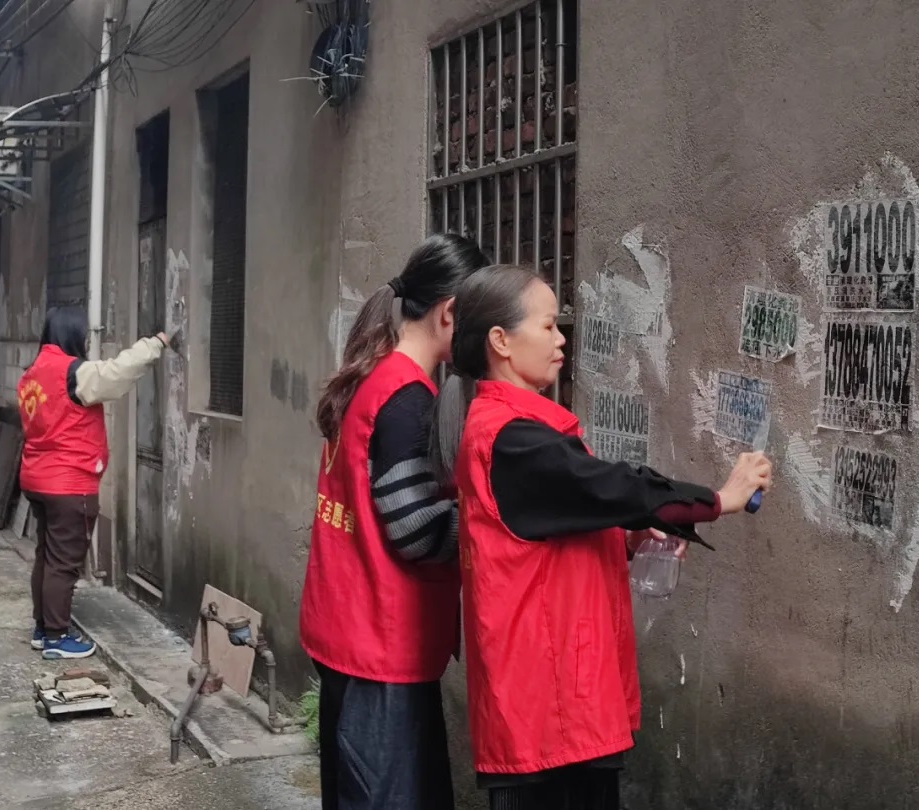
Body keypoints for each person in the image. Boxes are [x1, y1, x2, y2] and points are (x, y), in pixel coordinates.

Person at [430, 265, 772, 810]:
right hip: (548, 709)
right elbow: (615, 487)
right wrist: (719, 499)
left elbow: (560, 525)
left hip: (556, 698)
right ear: (501, 341)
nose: (561, 339)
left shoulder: (518, 431)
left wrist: (632, 538)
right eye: (548, 326)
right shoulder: (512, 439)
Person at [300, 233, 491, 810]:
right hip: (382, 644)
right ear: (449, 313)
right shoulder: (407, 398)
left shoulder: (370, 374)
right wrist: (494, 526)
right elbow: (414, 529)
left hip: (348, 627)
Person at [19, 306, 181, 660]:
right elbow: (116, 372)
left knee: (47, 556)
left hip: (36, 477)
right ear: (72, 335)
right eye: (83, 334)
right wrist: (156, 343)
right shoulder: (72, 372)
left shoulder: (31, 373)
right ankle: (57, 637)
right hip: (68, 483)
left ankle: (43, 628)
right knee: (63, 564)